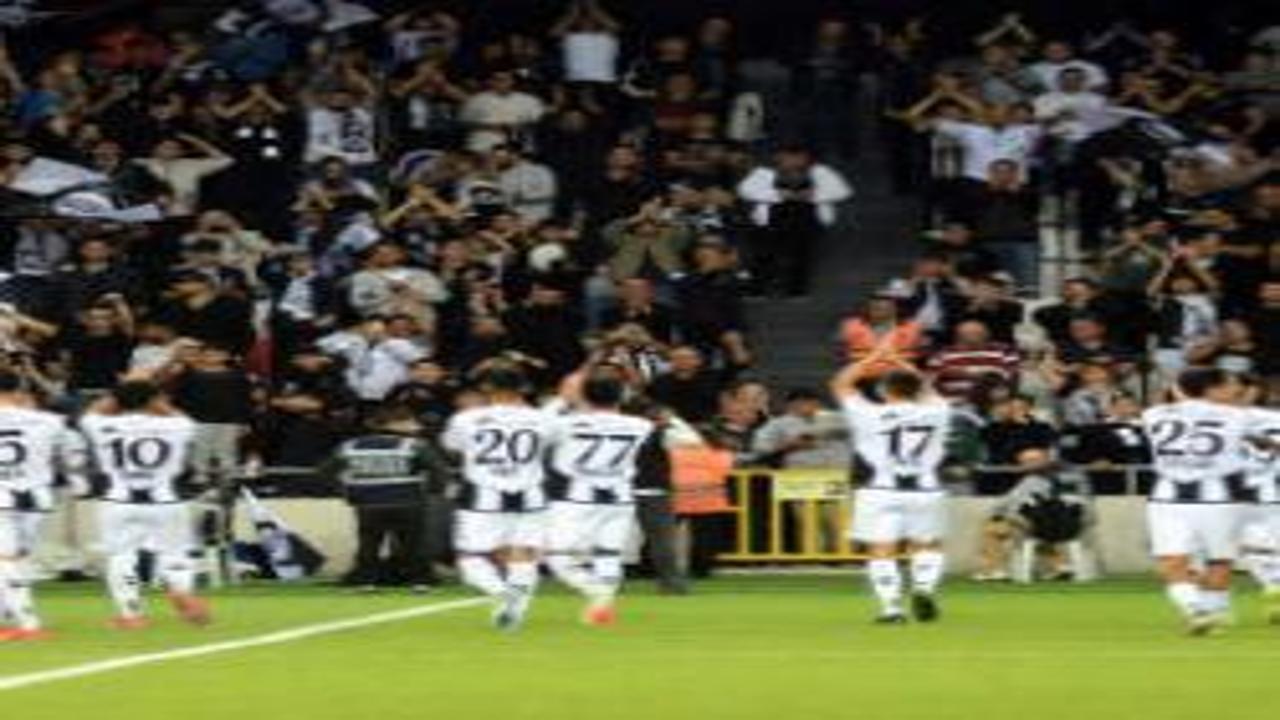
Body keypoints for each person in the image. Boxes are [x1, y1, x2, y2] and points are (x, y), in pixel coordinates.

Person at [830, 344, 952, 624]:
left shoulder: (868, 413)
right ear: (916, 390)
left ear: (884, 390)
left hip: (880, 490)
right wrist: (899, 360)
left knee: (881, 549)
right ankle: (923, 588)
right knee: (927, 545)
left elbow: (841, 384)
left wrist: (873, 357)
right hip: (925, 489)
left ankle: (892, 609)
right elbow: (926, 387)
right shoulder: (938, 411)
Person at [79, 381, 210, 629]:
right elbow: (183, 419)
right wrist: (157, 403)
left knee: (120, 556)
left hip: (119, 500)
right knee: (175, 552)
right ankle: (181, 590)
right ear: (154, 400)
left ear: (117, 402)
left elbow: (90, 414)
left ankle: (131, 614)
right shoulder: (177, 425)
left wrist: (118, 395)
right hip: (165, 499)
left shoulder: (102, 425)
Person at [1140, 369, 1258, 635]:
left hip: (1166, 498)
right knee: (1219, 560)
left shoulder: (1153, 414)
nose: (1236, 390)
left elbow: (1181, 399)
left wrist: (1182, 388)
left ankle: (1195, 609)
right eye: (1230, 385)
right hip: (1218, 497)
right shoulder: (1238, 416)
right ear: (1212, 389)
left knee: (1171, 561)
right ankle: (1214, 613)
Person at [441, 365, 552, 630]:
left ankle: (502, 593)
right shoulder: (545, 419)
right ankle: (515, 609)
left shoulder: (466, 418)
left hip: (482, 496)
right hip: (530, 496)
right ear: (523, 388)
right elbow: (551, 447)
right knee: (524, 555)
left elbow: (451, 446)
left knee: (471, 558)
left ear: (487, 388)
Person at [544, 373, 656, 625]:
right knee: (608, 555)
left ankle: (598, 595)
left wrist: (563, 399)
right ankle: (602, 606)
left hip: (578, 499)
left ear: (584, 395)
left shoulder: (566, 424)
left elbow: (539, 425)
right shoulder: (641, 425)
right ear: (621, 396)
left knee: (558, 558)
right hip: (619, 499)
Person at [0, 371, 84, 642]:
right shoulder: (49, 421)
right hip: (34, 499)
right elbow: (74, 453)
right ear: (19, 390)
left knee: (6, 560)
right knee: (16, 559)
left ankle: (26, 623)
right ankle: (12, 619)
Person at [328, 404, 446, 593]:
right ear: (395, 423)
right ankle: (420, 581)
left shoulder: (350, 445)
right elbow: (438, 471)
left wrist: (345, 492)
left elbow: (325, 471)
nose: (416, 425)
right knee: (412, 544)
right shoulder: (414, 445)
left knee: (369, 543)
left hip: (367, 504)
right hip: (408, 502)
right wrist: (433, 492)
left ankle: (365, 581)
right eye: (409, 421)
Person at [1236, 379, 1280, 623]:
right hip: (1255, 494)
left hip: (1256, 493)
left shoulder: (1223, 420)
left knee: (1256, 547)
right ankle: (1273, 588)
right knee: (1257, 547)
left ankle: (1274, 587)